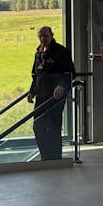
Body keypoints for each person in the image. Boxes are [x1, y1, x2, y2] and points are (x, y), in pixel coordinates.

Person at [27, 25, 75, 161]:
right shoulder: (38, 53)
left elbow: (70, 73)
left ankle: (55, 159)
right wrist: (32, 92)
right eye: (40, 36)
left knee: (53, 128)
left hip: (55, 98)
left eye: (46, 36)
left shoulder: (61, 52)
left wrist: (61, 86)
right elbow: (36, 75)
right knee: (38, 127)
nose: (43, 39)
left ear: (52, 35)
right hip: (41, 97)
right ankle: (45, 157)